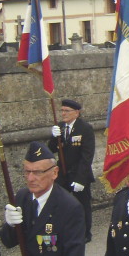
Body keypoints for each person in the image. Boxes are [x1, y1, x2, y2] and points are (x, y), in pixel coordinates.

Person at [49, 99, 96, 241]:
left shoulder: (85, 128)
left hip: (79, 174)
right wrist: (53, 137)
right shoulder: (61, 127)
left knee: (83, 205)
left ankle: (85, 233)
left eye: (67, 111)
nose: (63, 114)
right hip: (62, 173)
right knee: (58, 204)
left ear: (76, 113)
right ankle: (64, 231)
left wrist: (80, 179)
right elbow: (51, 149)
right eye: (62, 111)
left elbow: (87, 156)